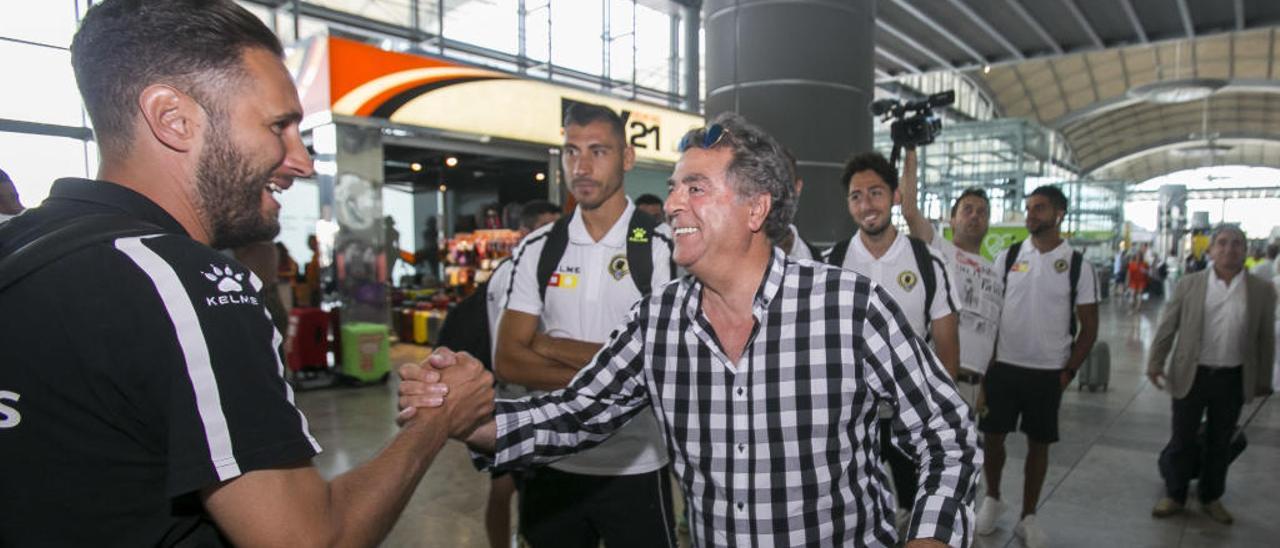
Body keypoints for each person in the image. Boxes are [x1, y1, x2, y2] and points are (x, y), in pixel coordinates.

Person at [0, 2, 493, 546]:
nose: (301, 161)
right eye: (279, 126)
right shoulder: (185, 283)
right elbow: (308, 540)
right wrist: (437, 421)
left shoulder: (21, 245)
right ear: (173, 119)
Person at [400, 113, 980, 548]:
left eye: (694, 188)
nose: (672, 204)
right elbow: (572, 415)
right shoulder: (658, 321)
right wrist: (466, 415)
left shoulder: (848, 309)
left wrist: (929, 537)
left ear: (755, 209)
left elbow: (949, 433)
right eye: (675, 187)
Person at [490, 102, 677, 548]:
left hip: (637, 463)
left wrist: (549, 345)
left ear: (627, 158)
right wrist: (614, 378)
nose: (583, 166)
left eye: (599, 151)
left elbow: (659, 363)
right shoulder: (539, 247)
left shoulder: (661, 248)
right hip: (552, 461)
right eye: (572, 152)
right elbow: (509, 360)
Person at [827, 149, 962, 532]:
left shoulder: (927, 263)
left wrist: (941, 417)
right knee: (853, 514)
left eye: (875, 192)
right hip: (852, 417)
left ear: (895, 197)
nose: (866, 204)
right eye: (856, 196)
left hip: (913, 414)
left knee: (921, 507)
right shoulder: (832, 265)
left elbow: (947, 346)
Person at [975, 185, 1099, 548]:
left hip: (1048, 373)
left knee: (1039, 444)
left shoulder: (1078, 265)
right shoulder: (1008, 256)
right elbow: (989, 312)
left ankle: (1028, 515)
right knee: (992, 438)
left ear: (1059, 214)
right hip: (1004, 367)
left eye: (1039, 208)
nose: (1031, 214)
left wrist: (1068, 372)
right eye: (1029, 208)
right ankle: (993, 498)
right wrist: (986, 363)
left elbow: (1089, 327)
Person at [1148, 225, 1275, 524]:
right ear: (1211, 250)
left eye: (1236, 244)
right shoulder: (1190, 284)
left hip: (1232, 378)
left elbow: (1265, 338)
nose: (1229, 249)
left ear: (1245, 250)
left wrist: (1262, 380)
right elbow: (1168, 326)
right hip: (1192, 374)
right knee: (1182, 437)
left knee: (1221, 441)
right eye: (1222, 243)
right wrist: (1155, 362)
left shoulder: (1260, 290)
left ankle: (1211, 496)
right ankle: (1175, 495)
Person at [481, 199, 560, 548]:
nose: (556, 239)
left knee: (514, 487)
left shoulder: (546, 271)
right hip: (518, 401)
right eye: (545, 231)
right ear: (526, 234)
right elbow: (515, 351)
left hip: (537, 399)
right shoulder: (513, 275)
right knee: (511, 489)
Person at [899, 147, 1001, 410]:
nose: (975, 216)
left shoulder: (994, 272)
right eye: (967, 210)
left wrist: (985, 388)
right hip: (939, 380)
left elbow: (993, 332)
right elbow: (909, 210)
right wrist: (911, 152)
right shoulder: (939, 249)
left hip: (973, 386)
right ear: (952, 220)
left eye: (982, 212)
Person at [775, 148, 821, 260]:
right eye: (772, 182)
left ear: (797, 188)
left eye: (786, 183)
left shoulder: (813, 257)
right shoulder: (736, 257)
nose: (779, 192)